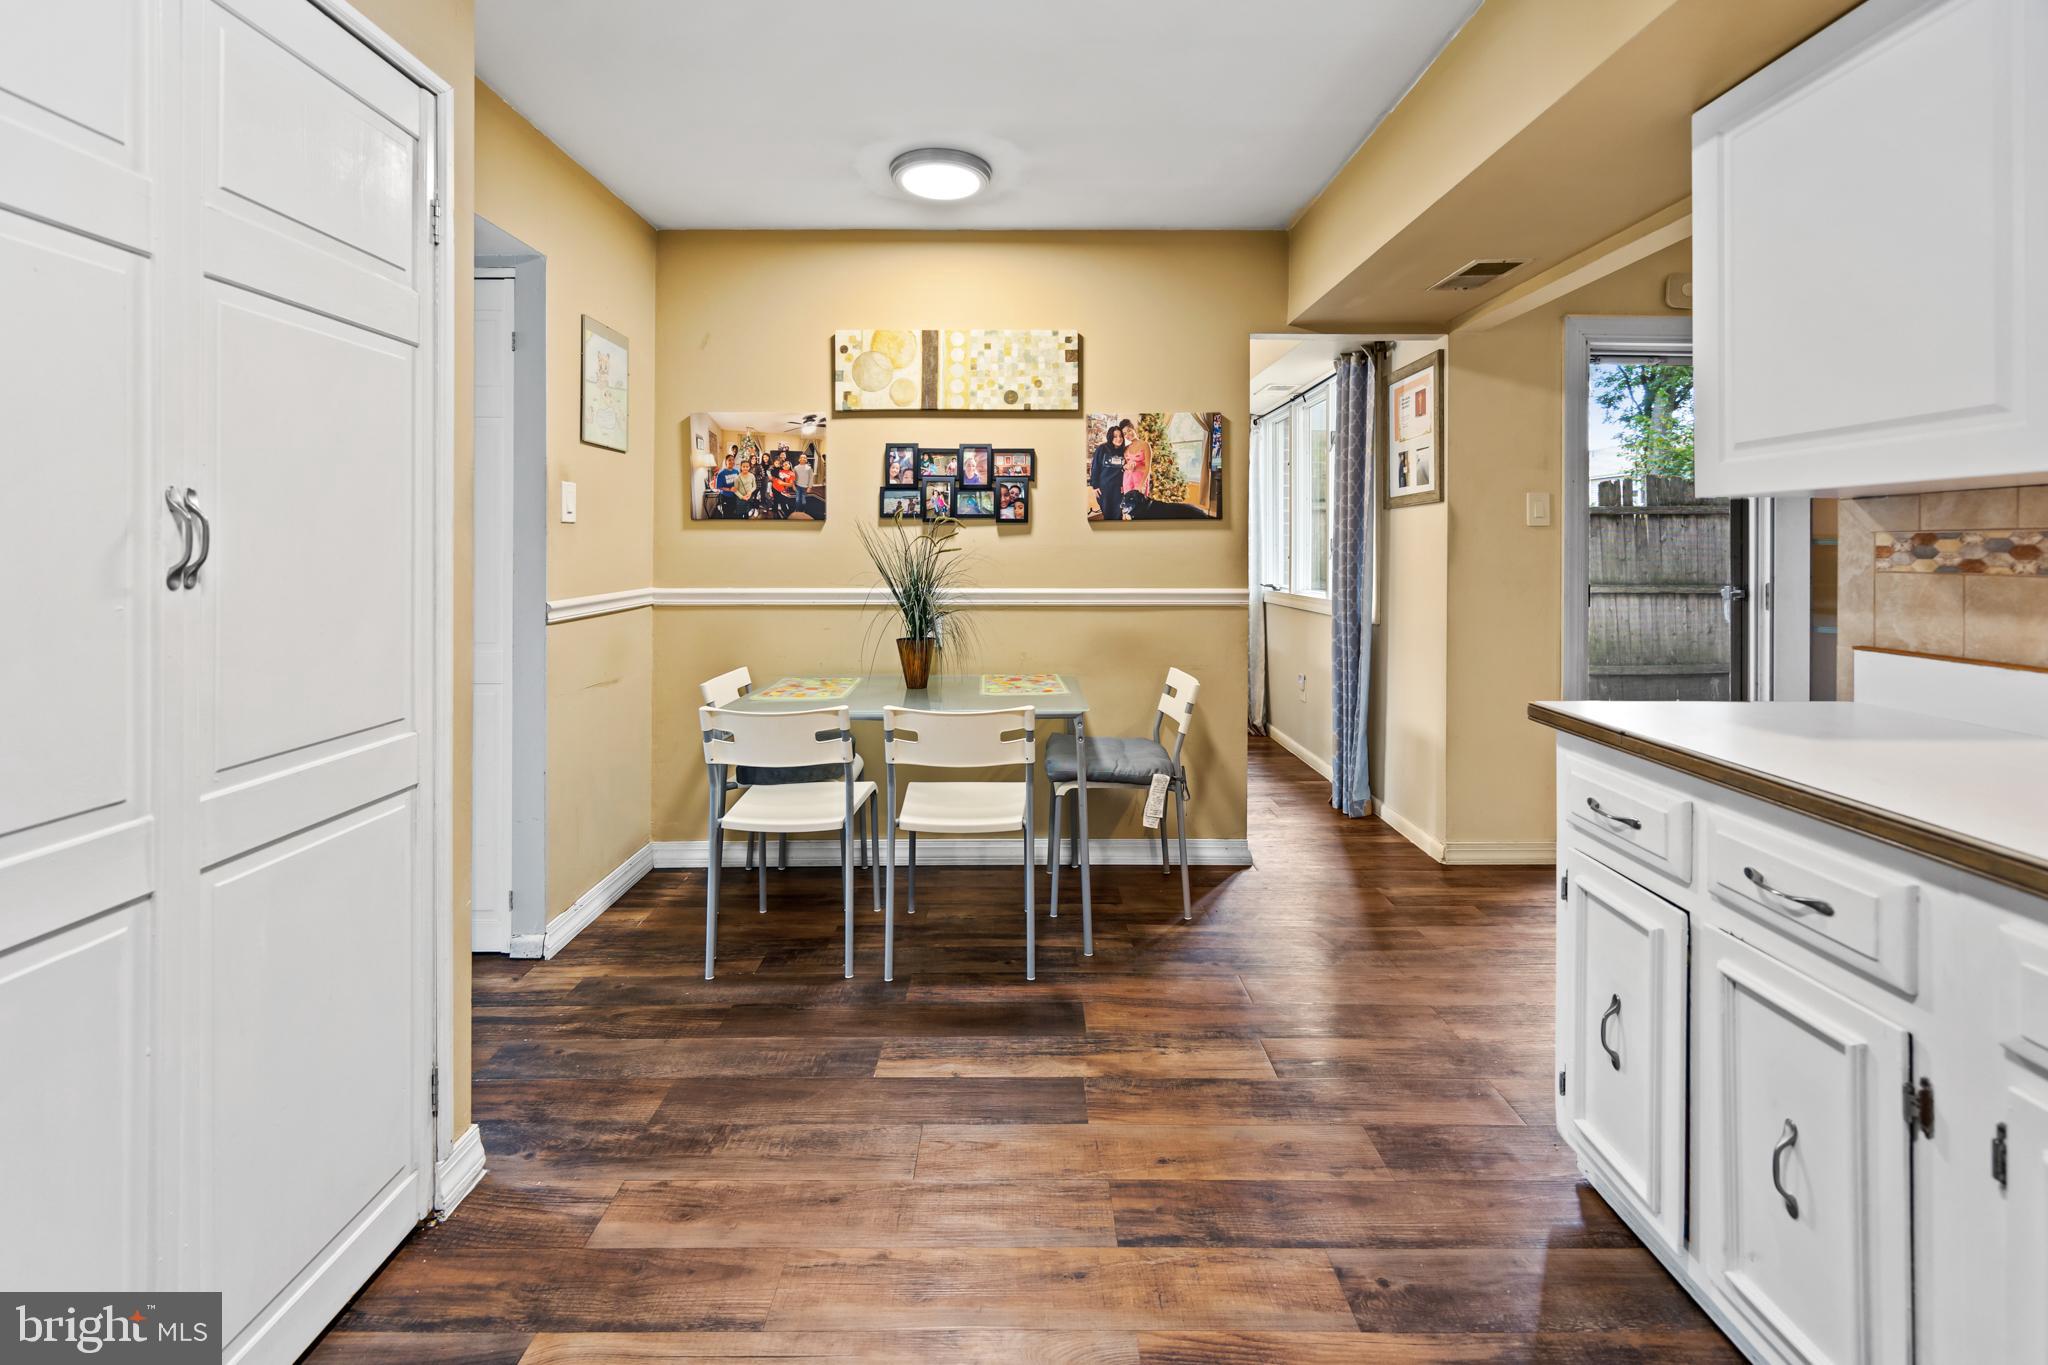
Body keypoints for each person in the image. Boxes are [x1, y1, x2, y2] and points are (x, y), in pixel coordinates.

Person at [1087, 422, 1126, 520]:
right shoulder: (1102, 448)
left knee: (1118, 515)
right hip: (1104, 488)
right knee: (1108, 514)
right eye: (1115, 436)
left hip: (1118, 489)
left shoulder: (1124, 451)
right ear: (1110, 437)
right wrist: (1095, 486)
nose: (1118, 438)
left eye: (1120, 436)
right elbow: (1095, 467)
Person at [1120, 418, 1150, 501]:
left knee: (1141, 507)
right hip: (1127, 480)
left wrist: (1142, 484)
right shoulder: (1125, 448)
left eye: (1129, 430)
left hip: (1140, 480)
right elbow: (1123, 466)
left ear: (1134, 429)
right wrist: (1125, 466)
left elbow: (1148, 467)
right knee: (1129, 507)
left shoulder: (1145, 445)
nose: (1128, 435)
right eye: (1125, 433)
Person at [712, 452, 742, 518]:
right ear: (726, 462)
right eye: (729, 460)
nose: (731, 461)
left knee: (735, 513)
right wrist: (729, 489)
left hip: (735, 496)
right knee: (727, 514)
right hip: (725, 497)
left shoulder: (736, 471)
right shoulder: (721, 473)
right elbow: (719, 487)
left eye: (733, 460)